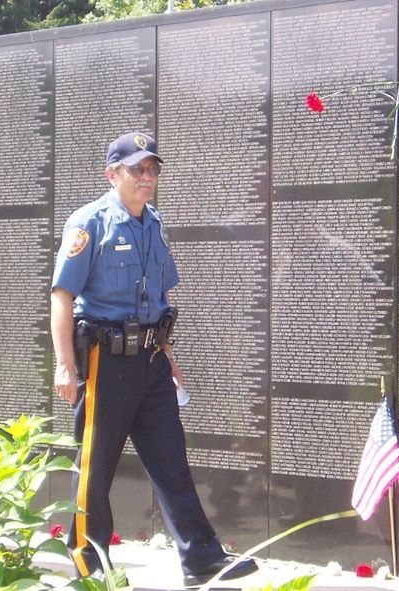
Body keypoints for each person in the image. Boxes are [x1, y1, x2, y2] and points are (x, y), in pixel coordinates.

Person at [50, 131, 258, 585]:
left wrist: (168, 355)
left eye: (153, 169)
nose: (147, 177)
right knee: (96, 464)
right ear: (112, 174)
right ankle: (90, 561)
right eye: (137, 169)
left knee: (171, 460)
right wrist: (65, 365)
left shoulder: (154, 222)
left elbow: (158, 296)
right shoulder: (90, 224)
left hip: (151, 361)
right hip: (105, 361)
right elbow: (62, 297)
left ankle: (202, 559)